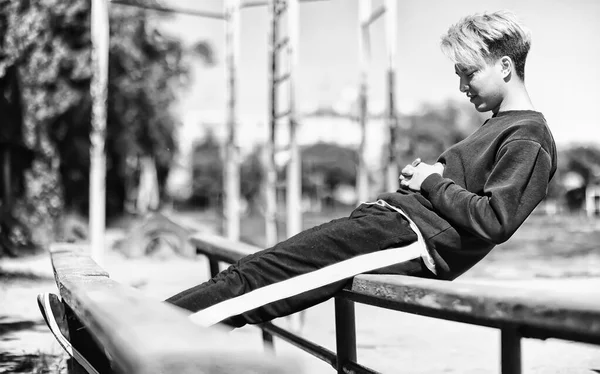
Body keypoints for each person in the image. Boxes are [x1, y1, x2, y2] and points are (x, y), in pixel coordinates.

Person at [166, 10, 557, 329]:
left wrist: (432, 182)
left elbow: (496, 220)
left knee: (257, 283)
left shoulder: (528, 134)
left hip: (406, 238)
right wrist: (428, 180)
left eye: (468, 72)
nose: (461, 86)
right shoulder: (498, 127)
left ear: (504, 66)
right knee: (251, 271)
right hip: (388, 225)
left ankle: (144, 335)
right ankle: (139, 327)